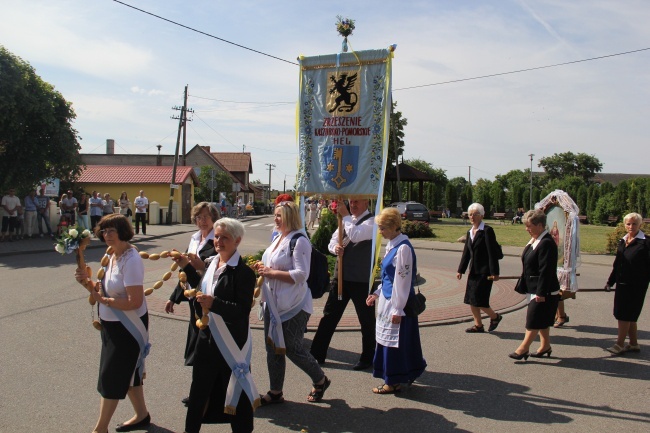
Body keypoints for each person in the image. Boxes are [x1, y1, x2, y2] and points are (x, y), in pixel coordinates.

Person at [178, 217, 257, 433]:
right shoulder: (212, 263)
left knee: (236, 396)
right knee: (198, 393)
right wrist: (185, 266)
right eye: (217, 236)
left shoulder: (244, 273)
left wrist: (215, 304)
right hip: (207, 340)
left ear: (237, 241)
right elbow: (202, 290)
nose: (219, 241)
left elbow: (242, 311)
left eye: (225, 237)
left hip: (231, 344)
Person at [74, 214, 151, 433]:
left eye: (112, 230)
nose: (107, 235)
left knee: (111, 376)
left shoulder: (131, 259)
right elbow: (102, 290)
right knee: (129, 373)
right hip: (111, 324)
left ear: (123, 231)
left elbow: (134, 302)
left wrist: (103, 300)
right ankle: (142, 415)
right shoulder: (111, 255)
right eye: (104, 230)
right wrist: (86, 283)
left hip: (128, 327)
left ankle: (100, 429)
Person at [256, 201, 330, 404]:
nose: (275, 219)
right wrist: (263, 267)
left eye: (279, 215)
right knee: (273, 348)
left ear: (290, 217)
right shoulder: (278, 237)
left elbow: (301, 275)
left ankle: (320, 379)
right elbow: (274, 263)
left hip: (294, 305)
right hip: (272, 303)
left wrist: (271, 272)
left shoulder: (299, 241)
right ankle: (275, 391)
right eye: (275, 215)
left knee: (291, 347)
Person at [310, 198, 376, 370]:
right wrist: (335, 249)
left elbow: (355, 235)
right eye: (351, 202)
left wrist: (345, 216)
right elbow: (332, 242)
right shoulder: (346, 220)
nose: (352, 205)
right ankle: (317, 354)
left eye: (356, 202)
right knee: (329, 316)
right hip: (341, 278)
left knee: (366, 321)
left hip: (361, 280)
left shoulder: (372, 222)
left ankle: (368, 357)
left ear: (366, 204)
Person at [366, 207, 427, 394]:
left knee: (395, 342)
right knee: (389, 341)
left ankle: (393, 381)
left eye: (383, 228)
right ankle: (400, 376)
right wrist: (376, 292)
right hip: (387, 299)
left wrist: (398, 309)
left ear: (393, 226)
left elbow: (402, 281)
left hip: (397, 303)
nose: (380, 232)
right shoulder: (393, 244)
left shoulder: (403, 248)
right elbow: (387, 276)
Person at [164, 202, 220, 406]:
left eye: (205, 217)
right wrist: (173, 296)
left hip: (208, 298)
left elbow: (212, 270)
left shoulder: (218, 239)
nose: (201, 221)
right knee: (198, 346)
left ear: (214, 218)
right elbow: (184, 272)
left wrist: (197, 265)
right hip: (193, 298)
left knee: (206, 348)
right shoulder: (195, 238)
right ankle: (201, 391)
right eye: (198, 217)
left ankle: (206, 393)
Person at [509, 209, 561, 360]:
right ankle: (545, 346)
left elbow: (546, 271)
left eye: (529, 226)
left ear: (539, 225)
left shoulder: (547, 243)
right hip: (533, 288)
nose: (527, 229)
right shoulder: (535, 240)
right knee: (541, 319)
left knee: (533, 319)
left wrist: (540, 293)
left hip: (544, 290)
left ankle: (523, 348)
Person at [604, 212, 650, 355]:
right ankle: (633, 344)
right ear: (624, 225)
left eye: (634, 223)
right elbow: (617, 264)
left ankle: (619, 344)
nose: (631, 226)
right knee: (629, 315)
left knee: (624, 315)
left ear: (640, 225)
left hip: (636, 286)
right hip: (622, 284)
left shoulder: (646, 242)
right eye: (628, 224)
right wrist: (610, 282)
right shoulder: (623, 241)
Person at [456, 203, 502, 333]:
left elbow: (492, 252)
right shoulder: (470, 232)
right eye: (470, 214)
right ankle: (478, 325)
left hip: (485, 271)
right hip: (474, 271)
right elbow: (466, 253)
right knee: (471, 299)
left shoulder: (487, 231)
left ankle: (495, 317)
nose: (472, 217)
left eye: (475, 214)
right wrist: (461, 270)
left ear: (482, 215)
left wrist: (495, 272)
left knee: (480, 300)